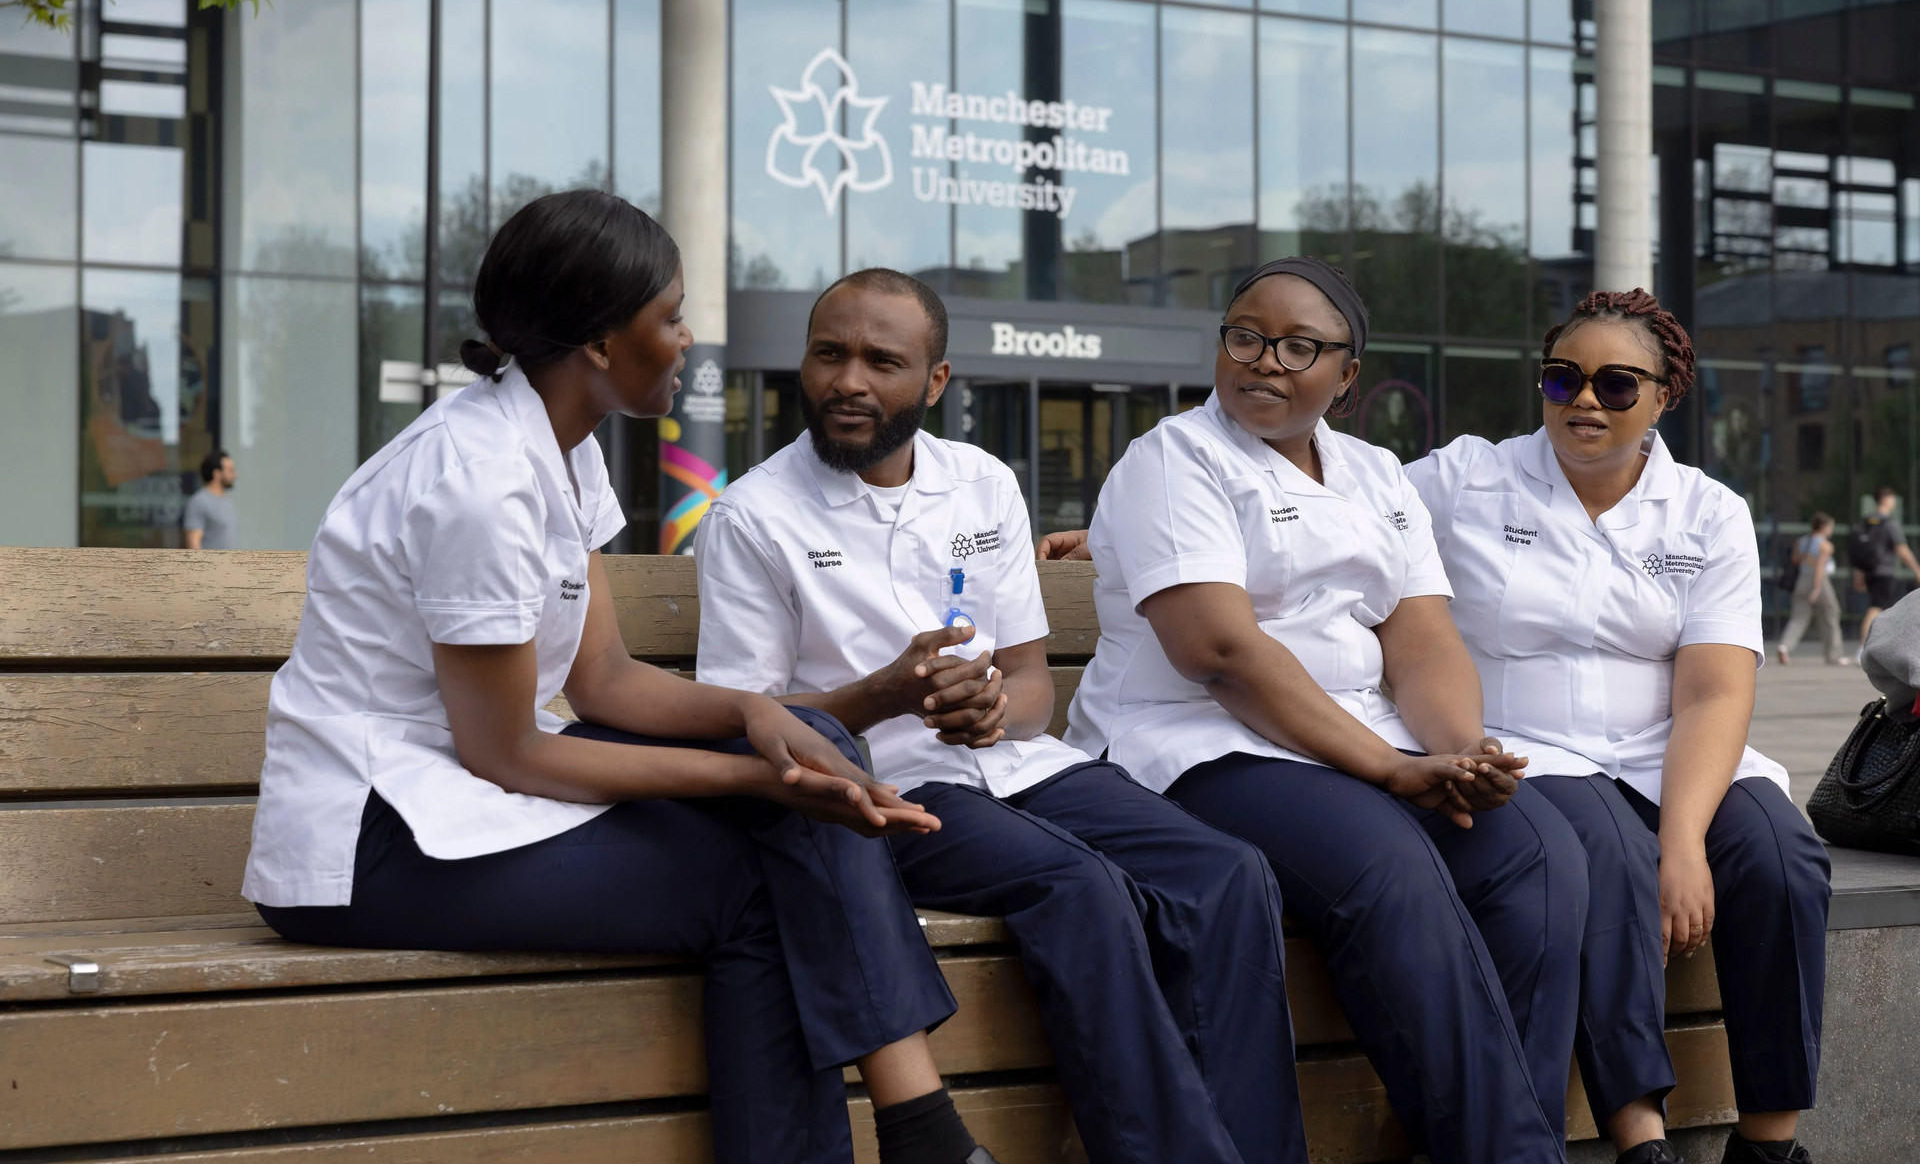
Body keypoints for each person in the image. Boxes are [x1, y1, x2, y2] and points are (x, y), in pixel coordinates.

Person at [241, 194, 995, 1164]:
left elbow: (602, 679)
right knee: (754, 884)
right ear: (601, 342)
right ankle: (925, 1132)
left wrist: (758, 715)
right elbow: (509, 752)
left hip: (464, 794)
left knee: (814, 742)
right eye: (670, 316)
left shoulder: (564, 450)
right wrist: (756, 777)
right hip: (368, 839)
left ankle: (923, 1132)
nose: (687, 339)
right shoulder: (479, 484)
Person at [694, 268, 1308, 1164]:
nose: (848, 381)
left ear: (935, 381)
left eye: (881, 361)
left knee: (1229, 873)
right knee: (1082, 888)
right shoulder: (754, 514)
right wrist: (883, 695)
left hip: (1023, 767)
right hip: (887, 794)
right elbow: (746, 716)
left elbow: (1030, 684)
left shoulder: (981, 482)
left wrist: (994, 709)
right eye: (829, 354)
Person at [1046, 257, 1588, 1164]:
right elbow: (1221, 654)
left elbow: (1422, 640)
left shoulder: (1375, 473)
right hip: (1198, 742)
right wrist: (1390, 769)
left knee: (1536, 853)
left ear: (1346, 376)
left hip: (1359, 738)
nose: (1265, 360)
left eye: (1300, 346)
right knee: (1388, 861)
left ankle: (1480, 1143)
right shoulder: (1173, 460)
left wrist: (1464, 754)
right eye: (1246, 337)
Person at [1403, 289, 1831, 1164]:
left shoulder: (1708, 511)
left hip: (1669, 744)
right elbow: (1335, 510)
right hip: (1531, 745)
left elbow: (1713, 694)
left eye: (1616, 383)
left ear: (1664, 396)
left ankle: (1769, 1142)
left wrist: (1685, 843)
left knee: (1783, 857)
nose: (1585, 400)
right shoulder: (1465, 479)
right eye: (1562, 379)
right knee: (1607, 850)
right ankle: (1642, 1137)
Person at [1851, 487, 1920, 645]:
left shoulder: (1865, 522)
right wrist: (1917, 569)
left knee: (1881, 608)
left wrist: (1859, 574)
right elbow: (1901, 549)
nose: (1894, 502)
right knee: (1876, 608)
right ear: (1886, 499)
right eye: (1892, 498)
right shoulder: (1889, 523)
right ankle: (1863, 647)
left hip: (1869, 571)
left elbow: (1862, 549)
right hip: (1885, 572)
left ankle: (1877, 646)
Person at [1777, 514, 1848, 667]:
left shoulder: (1802, 541)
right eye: (1830, 526)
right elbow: (1820, 568)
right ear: (1824, 527)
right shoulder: (1825, 545)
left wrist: (1808, 558)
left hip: (1802, 579)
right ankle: (1834, 654)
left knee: (1799, 616)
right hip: (1819, 581)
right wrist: (1816, 589)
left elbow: (1795, 559)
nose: (1831, 530)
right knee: (1831, 614)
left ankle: (1784, 646)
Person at [184, 449, 237, 549]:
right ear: (217, 474)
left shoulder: (227, 501)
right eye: (230, 471)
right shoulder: (199, 502)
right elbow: (194, 544)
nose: (235, 475)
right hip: (209, 560)